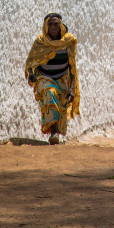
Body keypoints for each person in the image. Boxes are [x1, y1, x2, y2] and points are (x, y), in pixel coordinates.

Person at [25, 13, 79, 145]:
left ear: (60, 25)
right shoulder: (40, 42)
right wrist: (31, 73)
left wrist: (71, 88)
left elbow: (72, 66)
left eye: (56, 24)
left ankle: (56, 133)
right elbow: (31, 61)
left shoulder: (68, 41)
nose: (53, 27)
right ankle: (54, 132)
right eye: (50, 24)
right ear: (46, 26)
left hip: (62, 79)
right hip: (45, 77)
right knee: (50, 93)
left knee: (60, 107)